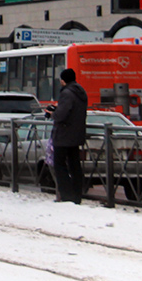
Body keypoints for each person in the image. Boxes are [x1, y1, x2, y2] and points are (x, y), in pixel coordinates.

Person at [49, 68, 88, 204]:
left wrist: (52, 114)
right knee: (74, 165)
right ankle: (77, 195)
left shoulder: (66, 93)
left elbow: (61, 115)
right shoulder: (81, 92)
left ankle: (67, 196)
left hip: (64, 135)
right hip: (77, 134)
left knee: (59, 164)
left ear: (63, 80)